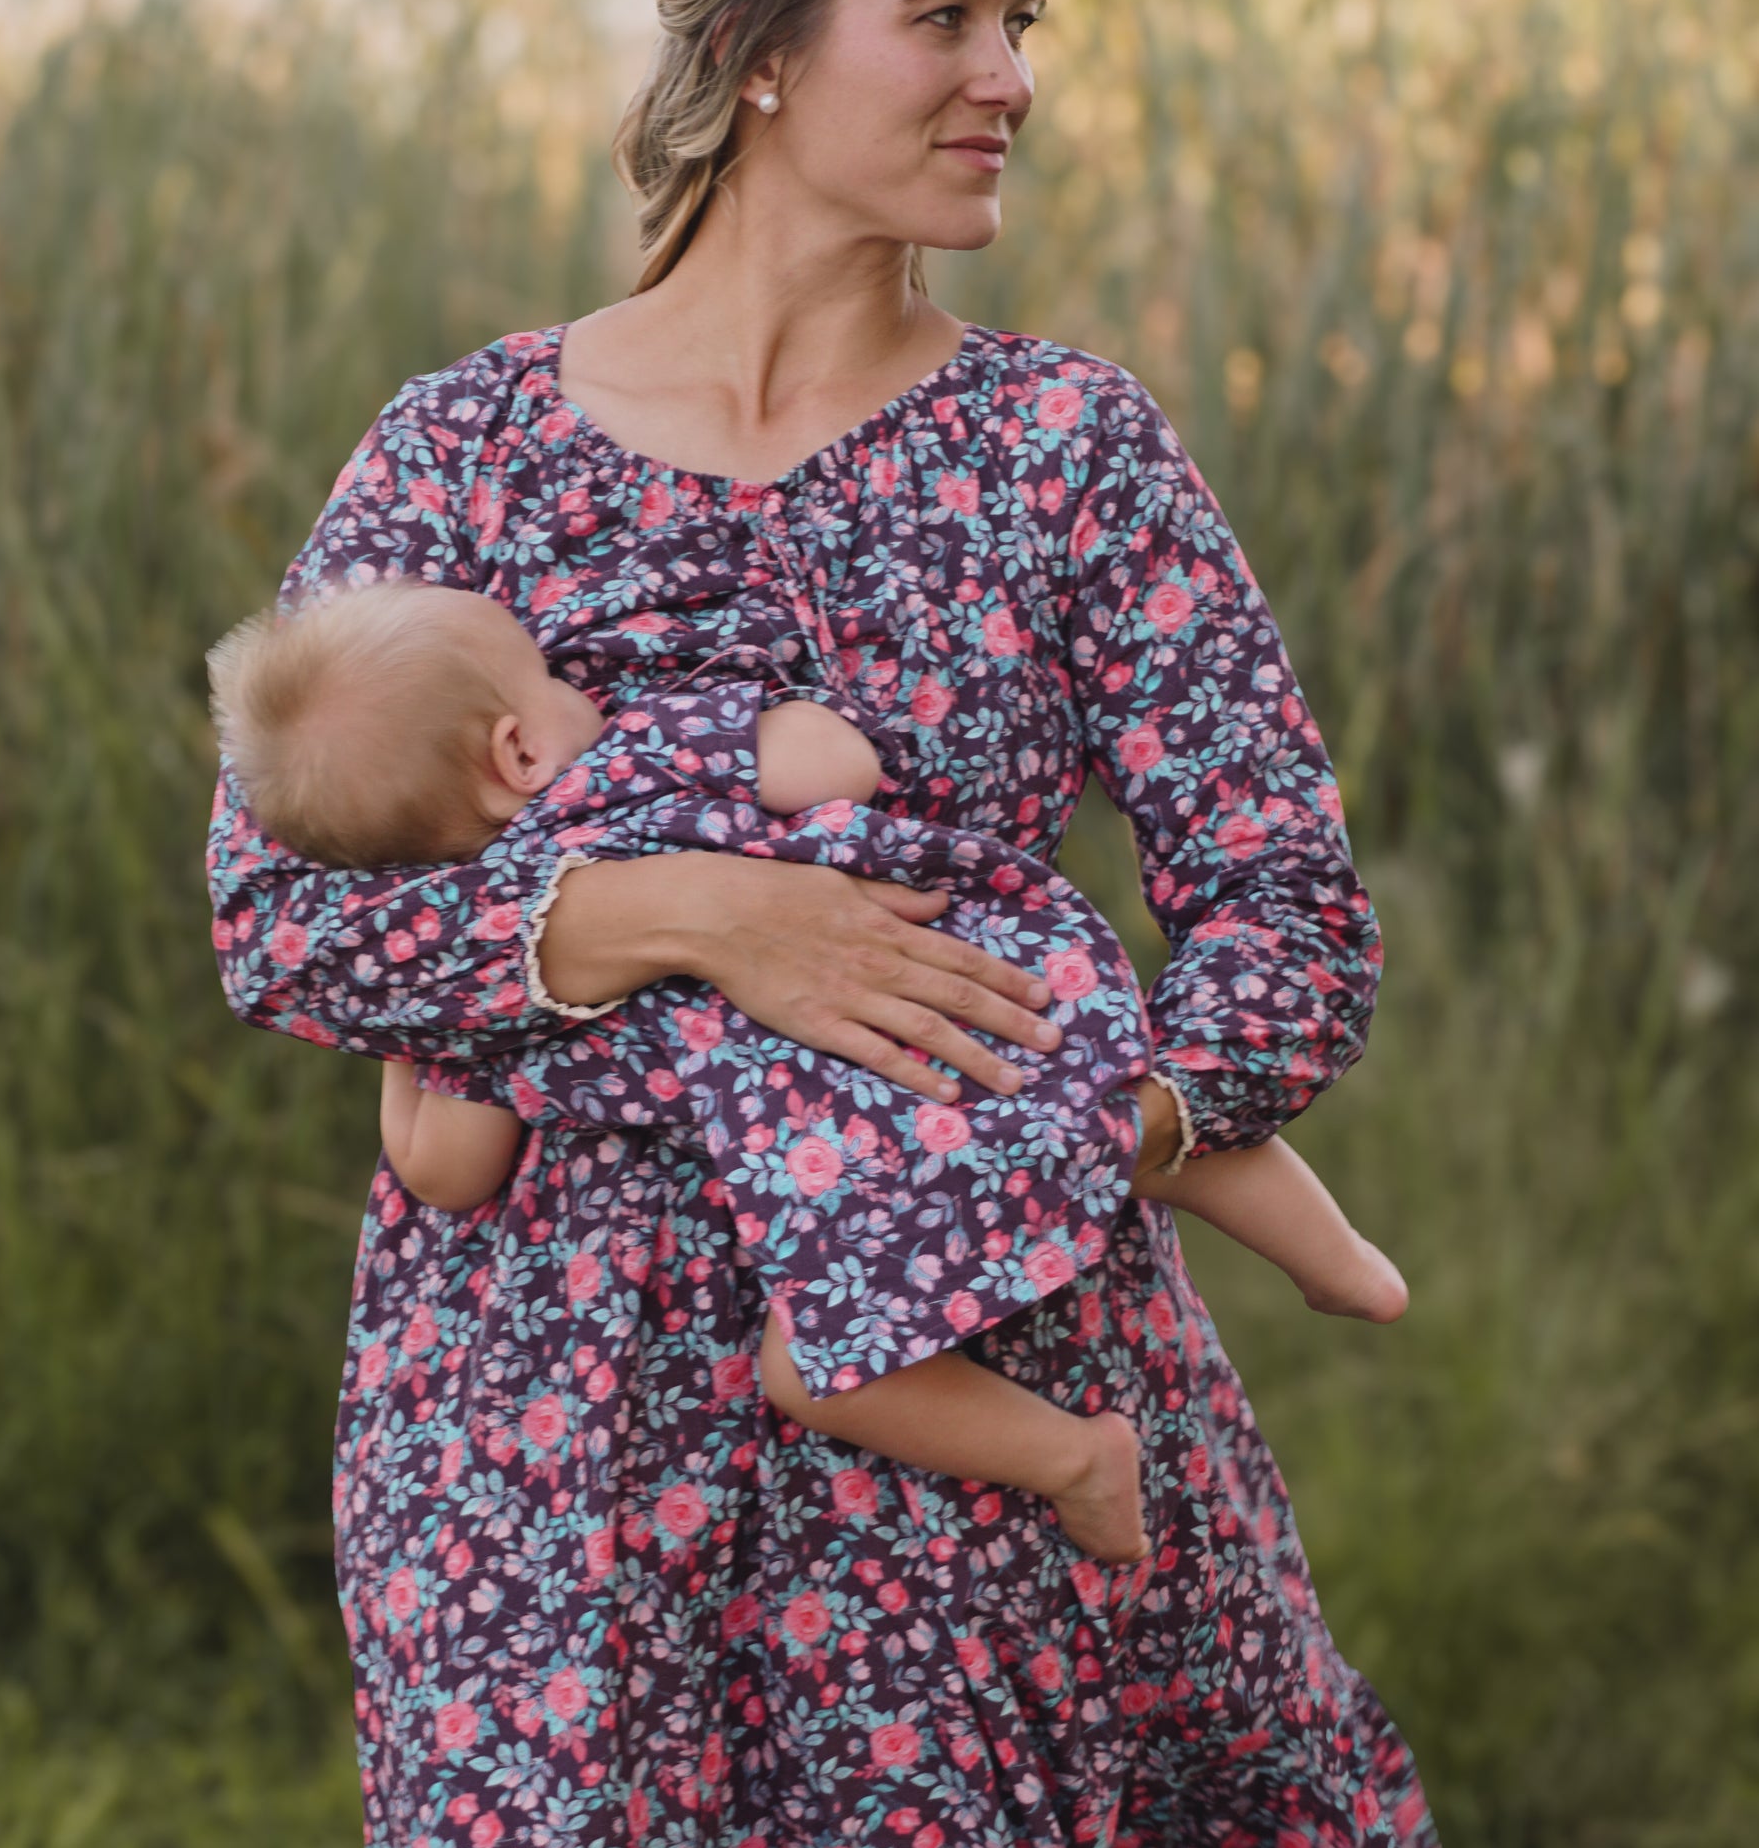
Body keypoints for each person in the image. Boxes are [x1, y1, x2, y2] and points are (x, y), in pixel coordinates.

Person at [207, 0, 1515, 1848]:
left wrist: (1104, 1102)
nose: (1008, 70)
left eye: (1023, 20)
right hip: (531, 1419)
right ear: (771, 54)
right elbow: (274, 916)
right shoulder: (466, 451)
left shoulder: (1065, 453)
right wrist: (683, 914)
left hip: (940, 1390)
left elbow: (1281, 899)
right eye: (950, 11)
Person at [209, 579, 1405, 1560]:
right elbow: (835, 760)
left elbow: (447, 1173)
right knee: (1137, 1123)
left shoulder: (504, 987)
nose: (584, 686)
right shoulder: (648, 757)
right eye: (555, 679)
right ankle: (1337, 1259)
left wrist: (415, 1034)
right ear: (518, 745)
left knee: (810, 1371)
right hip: (969, 1005)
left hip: (851, 1175)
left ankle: (1075, 1457)